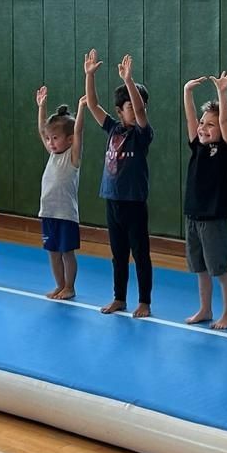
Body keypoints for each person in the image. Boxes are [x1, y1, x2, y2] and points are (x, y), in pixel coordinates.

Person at [83, 49, 154, 316]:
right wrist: (89, 76)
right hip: (112, 199)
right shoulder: (113, 127)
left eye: (142, 107)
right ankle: (119, 297)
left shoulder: (142, 134)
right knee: (118, 253)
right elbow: (92, 105)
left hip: (134, 201)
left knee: (140, 253)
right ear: (118, 111)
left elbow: (138, 108)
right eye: (130, 108)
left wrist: (128, 81)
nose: (137, 111)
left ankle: (144, 300)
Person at [182, 72, 227, 329]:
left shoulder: (225, 150)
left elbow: (226, 121)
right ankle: (205, 309)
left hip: (213, 218)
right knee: (200, 268)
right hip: (193, 216)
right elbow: (190, 117)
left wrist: (222, 93)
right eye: (203, 123)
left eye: (210, 124)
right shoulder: (197, 145)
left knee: (219, 269)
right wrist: (187, 92)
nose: (203, 127)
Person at [36, 87, 85, 299]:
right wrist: (42, 107)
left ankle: (70, 287)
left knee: (67, 253)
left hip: (66, 215)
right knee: (53, 253)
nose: (50, 143)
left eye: (55, 138)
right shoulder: (53, 155)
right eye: (49, 139)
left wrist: (82, 109)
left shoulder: (72, 157)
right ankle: (60, 284)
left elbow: (79, 131)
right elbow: (42, 129)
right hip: (48, 212)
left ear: (69, 139)